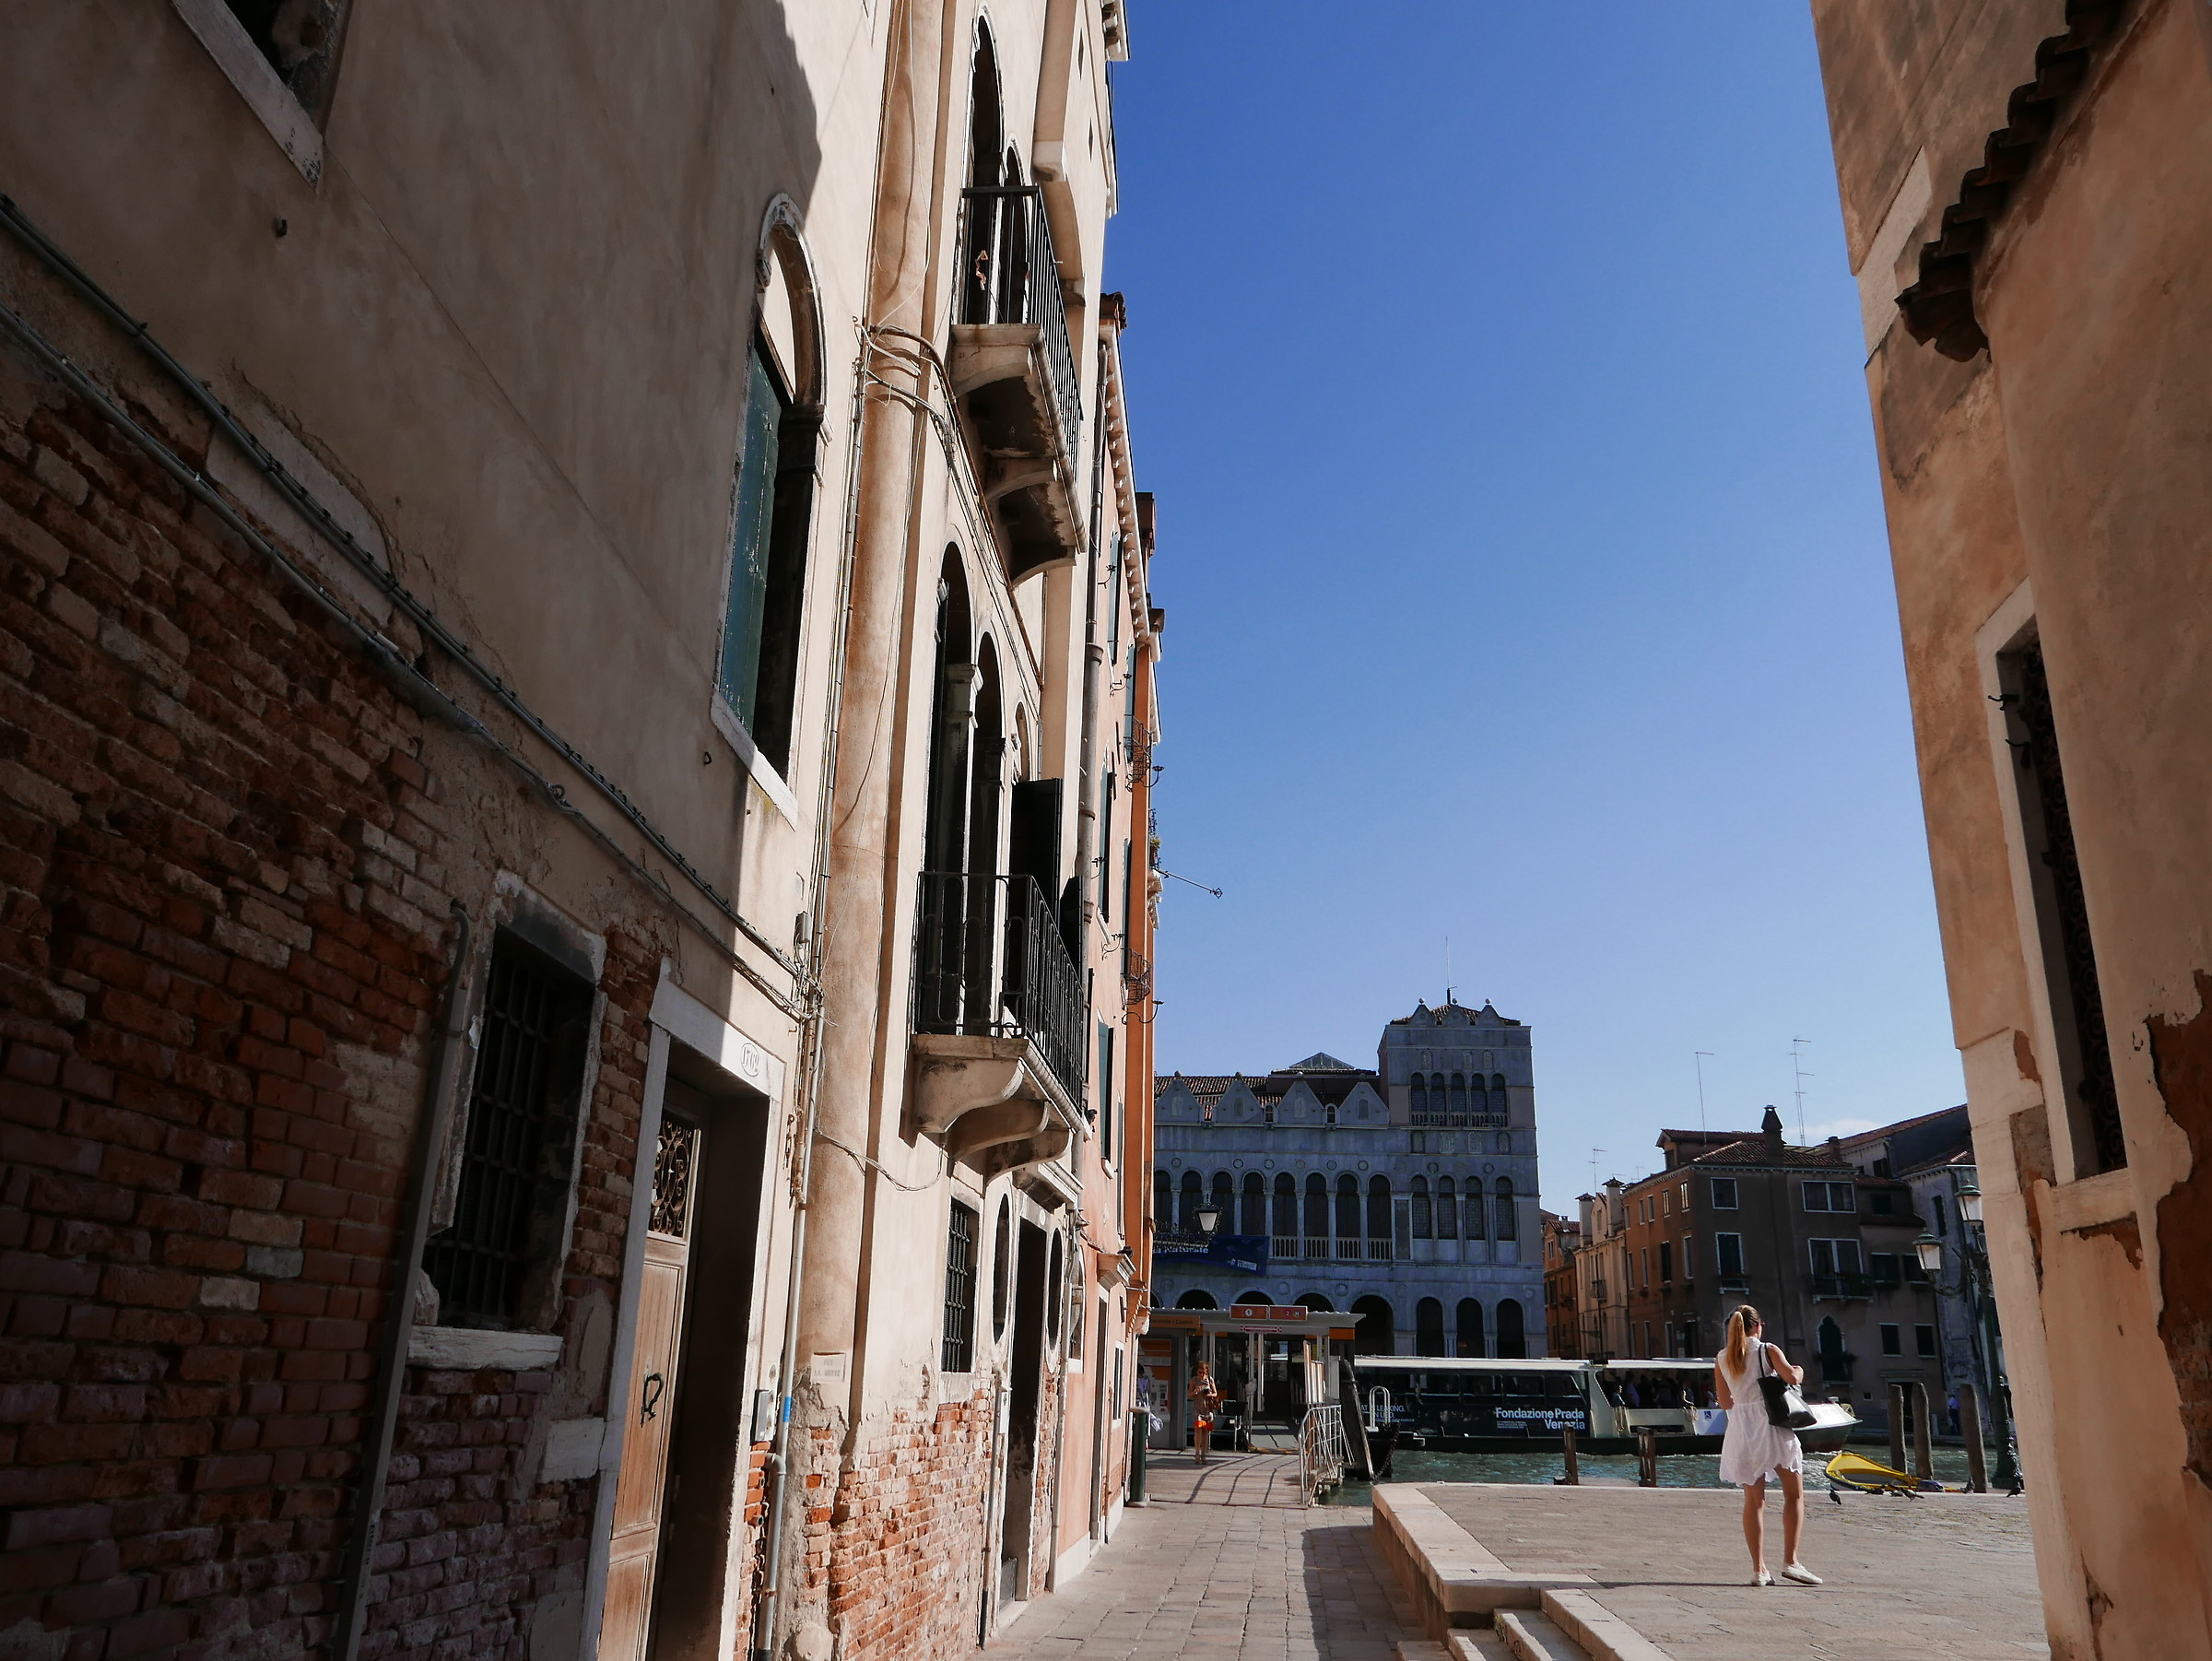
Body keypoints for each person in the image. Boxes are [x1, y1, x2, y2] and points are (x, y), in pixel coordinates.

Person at [1713, 1306, 1821, 1587]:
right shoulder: (1767, 1349)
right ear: (1758, 1326)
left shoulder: (1723, 1357)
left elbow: (1725, 1403)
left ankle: (1759, 1569)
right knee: (1794, 1494)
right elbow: (1792, 1378)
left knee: (1753, 1501)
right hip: (1771, 1424)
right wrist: (1798, 1369)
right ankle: (1791, 1562)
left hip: (1742, 1428)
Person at [1188, 1361, 1222, 1465]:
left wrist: (1209, 1395)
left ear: (1206, 1372)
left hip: (1207, 1408)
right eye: (1199, 1372)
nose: (1202, 1375)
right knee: (1198, 1429)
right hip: (1197, 1408)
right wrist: (1196, 1391)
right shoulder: (1194, 1380)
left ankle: (1204, 1454)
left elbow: (1215, 1393)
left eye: (1203, 1372)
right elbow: (1189, 1395)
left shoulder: (1210, 1380)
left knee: (1206, 1432)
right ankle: (1197, 1453)